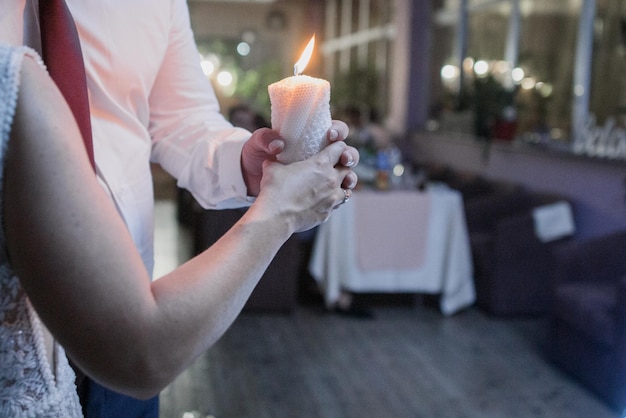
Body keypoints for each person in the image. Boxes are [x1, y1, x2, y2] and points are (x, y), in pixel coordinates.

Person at [1, 1, 359, 416]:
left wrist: (243, 162)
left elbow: (182, 118)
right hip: (49, 326)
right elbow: (142, 354)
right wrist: (281, 212)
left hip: (131, 291)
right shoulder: (16, 78)